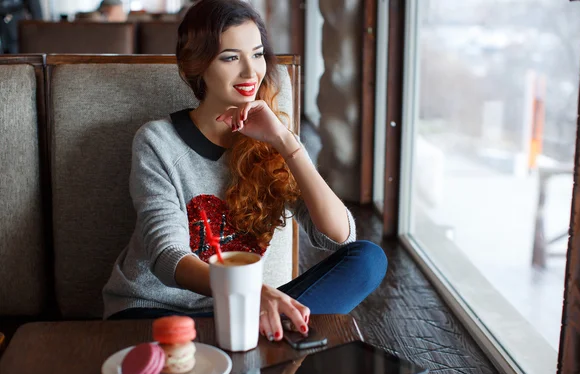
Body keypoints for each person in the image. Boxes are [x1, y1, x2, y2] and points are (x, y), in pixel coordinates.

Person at [102, 0, 387, 342]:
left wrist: (285, 141)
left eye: (257, 54)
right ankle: (265, 340)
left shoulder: (273, 139)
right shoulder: (157, 141)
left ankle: (253, 338)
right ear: (197, 65)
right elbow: (167, 257)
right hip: (156, 311)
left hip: (242, 310)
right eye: (230, 57)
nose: (250, 72)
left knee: (368, 259)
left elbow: (337, 237)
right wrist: (249, 292)